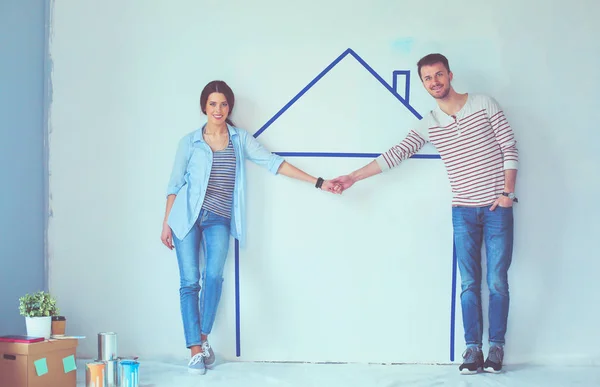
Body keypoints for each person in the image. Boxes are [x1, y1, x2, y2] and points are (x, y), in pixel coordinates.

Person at [330, 54, 518, 374]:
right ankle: (473, 350)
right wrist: (352, 177)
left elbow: (509, 148)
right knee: (469, 283)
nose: (435, 82)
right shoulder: (429, 123)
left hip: (496, 208)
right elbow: (395, 154)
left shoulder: (484, 104)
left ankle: (496, 348)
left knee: (497, 282)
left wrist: (506, 194)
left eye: (439, 75)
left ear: (450, 75)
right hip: (462, 211)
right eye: (428, 79)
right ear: (423, 83)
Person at [161, 80, 337, 375]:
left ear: (229, 107)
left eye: (224, 104)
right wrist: (166, 224)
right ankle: (194, 350)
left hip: (219, 218)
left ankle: (203, 339)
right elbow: (174, 185)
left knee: (214, 277)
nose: (218, 109)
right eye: (213, 104)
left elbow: (273, 163)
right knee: (189, 281)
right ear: (204, 106)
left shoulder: (239, 139)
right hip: (185, 219)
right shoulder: (189, 142)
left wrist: (318, 181)